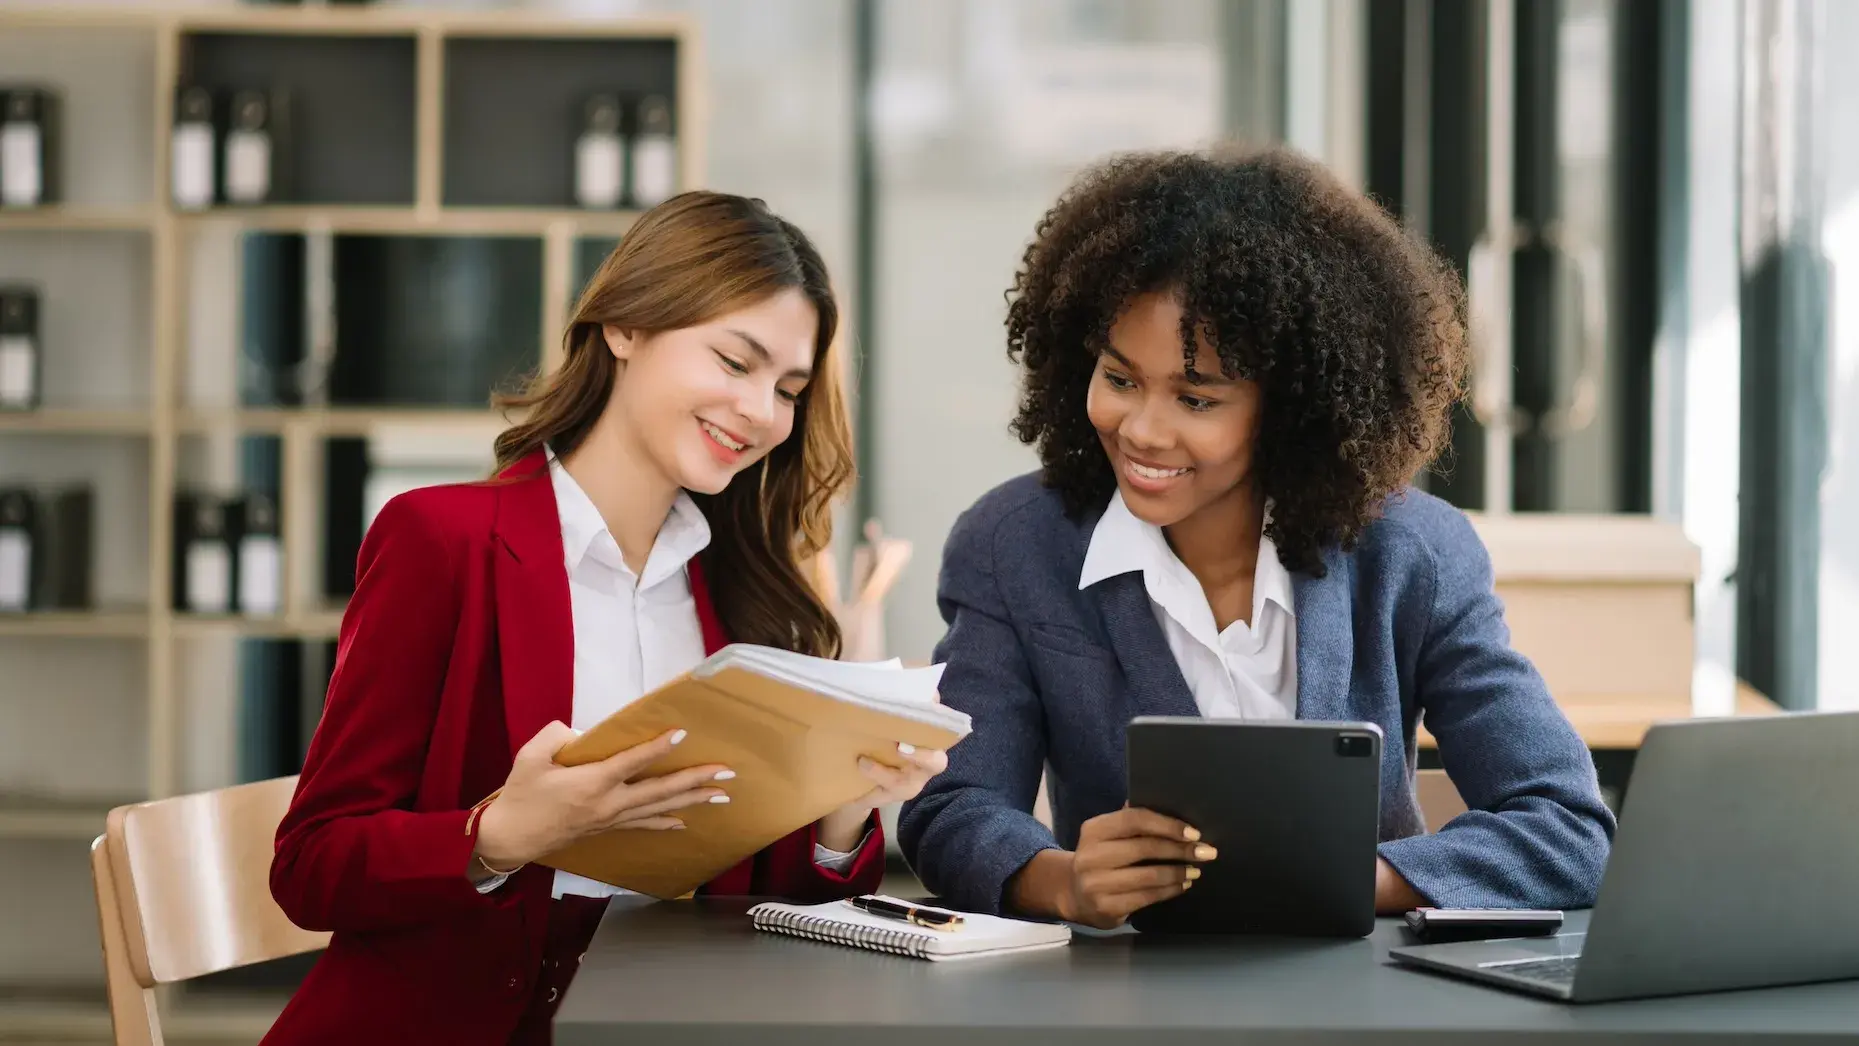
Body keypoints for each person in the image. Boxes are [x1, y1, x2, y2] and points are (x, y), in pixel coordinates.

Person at [264, 191, 948, 1045]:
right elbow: (311, 867)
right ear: (625, 326)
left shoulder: (742, 597)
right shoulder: (440, 541)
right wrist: (500, 836)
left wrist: (846, 808)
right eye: (735, 363)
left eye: (788, 388)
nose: (763, 413)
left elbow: (767, 913)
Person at [897, 146, 1615, 930]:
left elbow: (1564, 829)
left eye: (1195, 399)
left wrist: (1347, 882)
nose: (1141, 429)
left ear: (1292, 407)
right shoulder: (1013, 545)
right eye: (1120, 379)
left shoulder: (1413, 552)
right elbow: (951, 808)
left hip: (1365, 998)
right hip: (1129, 998)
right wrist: (1060, 880)